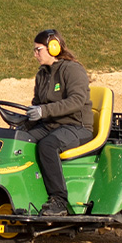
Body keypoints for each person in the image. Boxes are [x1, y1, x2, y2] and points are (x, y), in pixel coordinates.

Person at [18, 28, 92, 216]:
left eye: (38, 50)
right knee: (18, 140)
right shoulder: (42, 74)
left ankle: (59, 200)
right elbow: (37, 104)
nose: (35, 54)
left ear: (53, 47)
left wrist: (44, 111)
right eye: (34, 50)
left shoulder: (73, 70)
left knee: (47, 146)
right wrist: (21, 125)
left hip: (77, 127)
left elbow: (76, 101)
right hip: (52, 125)